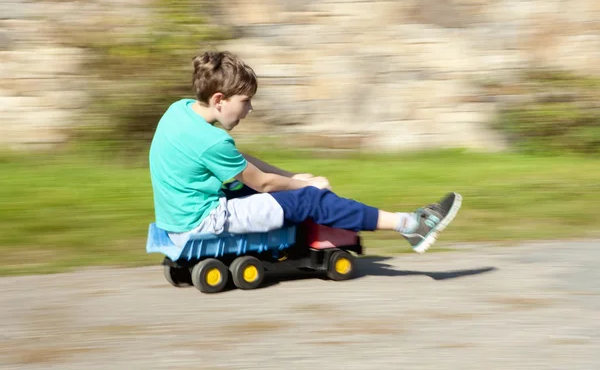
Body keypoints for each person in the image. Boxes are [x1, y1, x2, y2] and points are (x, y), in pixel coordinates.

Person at [149, 51, 462, 254]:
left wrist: (292, 176)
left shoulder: (181, 111)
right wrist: (306, 185)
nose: (250, 109)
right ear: (220, 100)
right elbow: (264, 184)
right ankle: (411, 225)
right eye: (245, 102)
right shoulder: (213, 142)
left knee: (257, 186)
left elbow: (240, 163)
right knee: (310, 200)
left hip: (177, 214)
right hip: (204, 220)